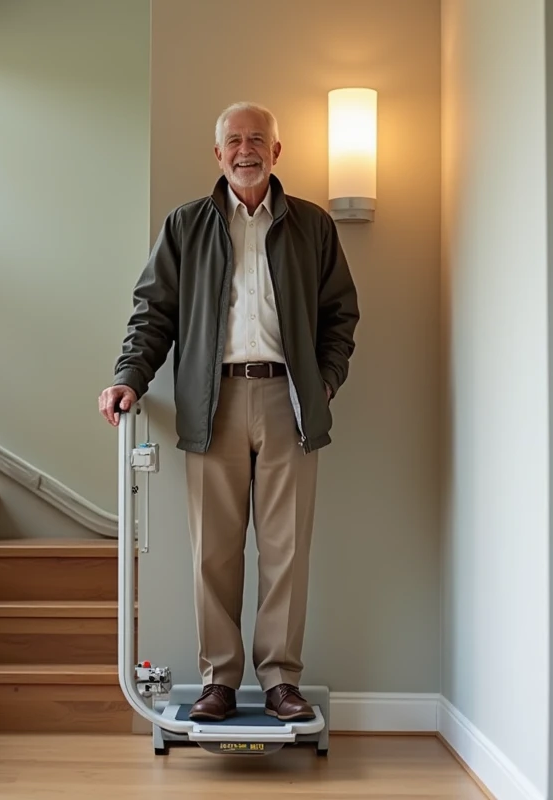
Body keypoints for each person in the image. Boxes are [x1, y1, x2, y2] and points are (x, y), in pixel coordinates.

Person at [98, 101, 359, 723]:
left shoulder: (313, 226)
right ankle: (218, 678)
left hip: (288, 399)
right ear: (218, 154)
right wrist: (129, 378)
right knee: (213, 550)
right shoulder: (186, 226)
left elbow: (340, 316)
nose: (246, 150)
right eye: (234, 141)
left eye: (257, 139)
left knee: (285, 550)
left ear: (277, 150)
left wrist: (324, 382)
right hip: (210, 401)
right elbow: (152, 313)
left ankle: (280, 682)